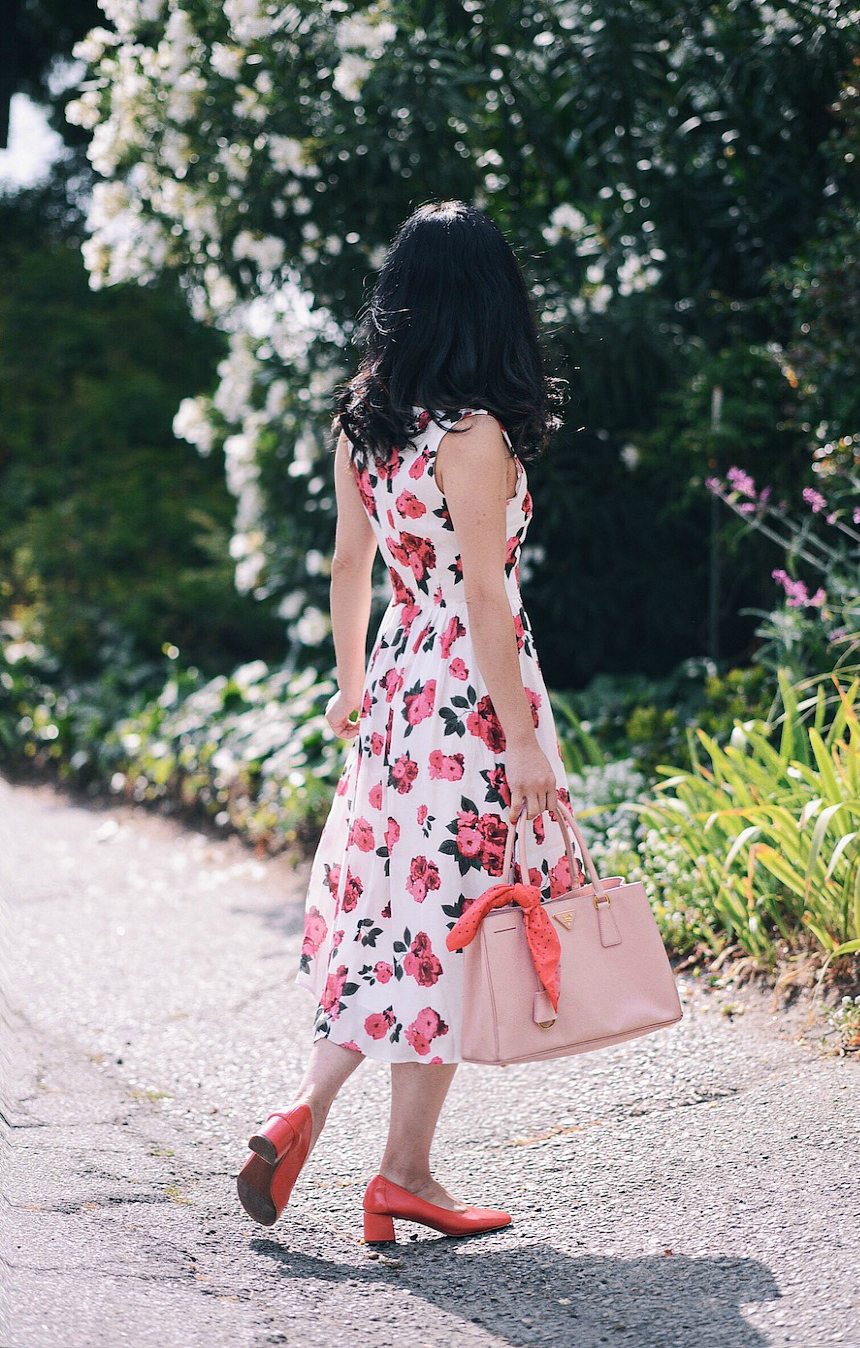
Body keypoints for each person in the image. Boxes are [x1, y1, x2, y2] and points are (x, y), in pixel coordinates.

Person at [237, 199, 577, 1242]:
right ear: (491, 305)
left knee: (394, 911)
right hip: (469, 692)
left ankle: (309, 1111)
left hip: (397, 684)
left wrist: (349, 684)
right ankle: (402, 1172)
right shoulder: (470, 435)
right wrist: (520, 738)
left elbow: (350, 566)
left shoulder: (366, 426)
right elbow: (485, 594)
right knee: (452, 923)